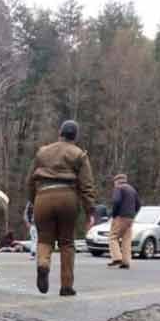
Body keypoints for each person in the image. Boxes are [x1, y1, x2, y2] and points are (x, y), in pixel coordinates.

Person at [27, 120, 96, 296]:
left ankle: (43, 264)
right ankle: (66, 286)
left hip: (43, 195)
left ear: (60, 133)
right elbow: (86, 186)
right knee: (67, 243)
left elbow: (29, 180)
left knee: (44, 239)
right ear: (76, 136)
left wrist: (33, 201)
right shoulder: (79, 154)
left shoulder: (42, 152)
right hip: (67, 197)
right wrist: (90, 211)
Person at [108, 174, 141, 269]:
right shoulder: (132, 189)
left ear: (117, 181)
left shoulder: (118, 188)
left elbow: (116, 201)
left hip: (121, 216)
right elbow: (139, 204)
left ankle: (117, 258)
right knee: (126, 239)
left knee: (113, 237)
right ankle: (126, 262)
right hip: (130, 218)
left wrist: (114, 214)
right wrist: (133, 214)